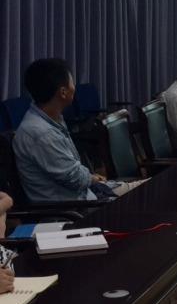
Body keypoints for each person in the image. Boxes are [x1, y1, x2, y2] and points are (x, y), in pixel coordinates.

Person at [13, 59, 145, 202]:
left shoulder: (50, 120)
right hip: (82, 208)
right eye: (72, 83)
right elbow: (76, 178)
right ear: (63, 92)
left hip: (94, 193)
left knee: (155, 188)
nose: (74, 87)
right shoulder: (41, 134)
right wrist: (92, 178)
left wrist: (90, 178)